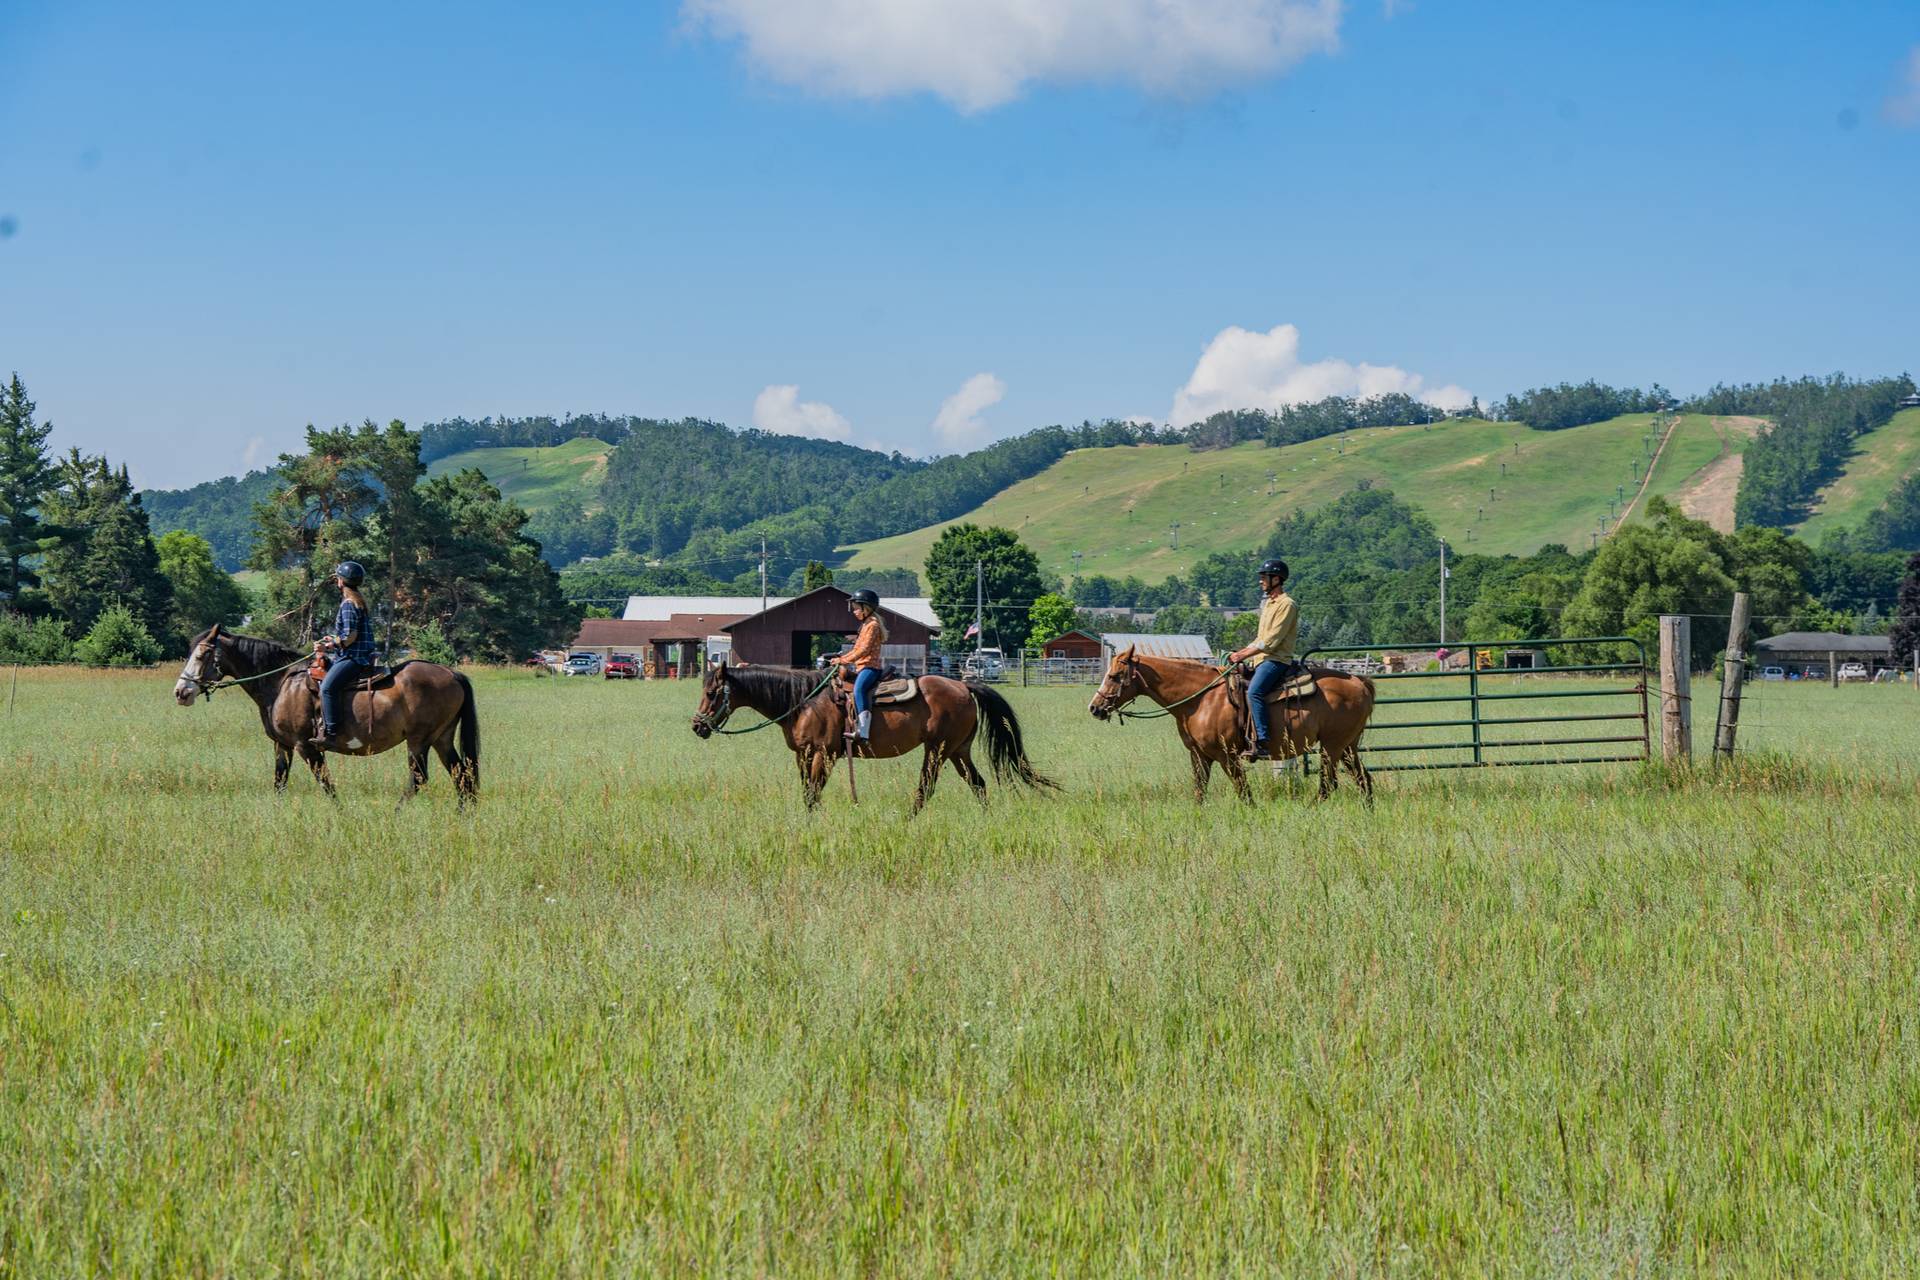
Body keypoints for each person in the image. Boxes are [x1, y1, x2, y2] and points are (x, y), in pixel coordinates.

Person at [1225, 558, 1298, 760]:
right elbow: (1260, 637)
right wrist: (1241, 652)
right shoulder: (1268, 604)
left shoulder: (1287, 605)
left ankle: (1262, 741)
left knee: (1255, 692)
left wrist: (1243, 655)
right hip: (1262, 660)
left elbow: (1272, 641)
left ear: (1276, 579)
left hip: (1277, 660)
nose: (1261, 581)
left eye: (1264, 577)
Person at [309, 560, 378, 751]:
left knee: (328, 689)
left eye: (338, 578)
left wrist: (330, 645)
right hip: (358, 655)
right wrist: (332, 638)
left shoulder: (348, 604)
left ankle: (332, 734)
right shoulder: (358, 601)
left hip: (353, 658)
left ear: (341, 581)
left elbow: (350, 636)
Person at [828, 589, 888, 741]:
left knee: (858, 690)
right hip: (862, 667)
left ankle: (863, 731)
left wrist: (842, 661)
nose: (854, 611)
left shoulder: (872, 625)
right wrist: (840, 658)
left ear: (866, 608)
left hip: (870, 668)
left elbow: (863, 650)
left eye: (856, 608)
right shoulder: (866, 625)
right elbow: (856, 649)